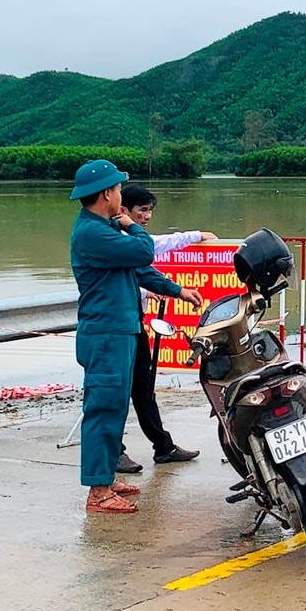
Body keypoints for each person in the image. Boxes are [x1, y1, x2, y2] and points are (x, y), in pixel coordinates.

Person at [68, 161, 201, 514]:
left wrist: (177, 291)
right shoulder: (94, 233)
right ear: (106, 195)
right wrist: (131, 226)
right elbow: (144, 251)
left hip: (123, 330)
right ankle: (97, 492)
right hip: (106, 333)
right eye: (117, 190)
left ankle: (107, 478)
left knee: (116, 409)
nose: (121, 196)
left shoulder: (105, 230)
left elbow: (141, 269)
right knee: (102, 409)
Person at [115, 184, 216, 473]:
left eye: (149, 211)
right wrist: (162, 290)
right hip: (116, 328)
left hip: (134, 325)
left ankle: (163, 446)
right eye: (141, 210)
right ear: (122, 210)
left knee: (143, 390)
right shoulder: (114, 239)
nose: (146, 216)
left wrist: (195, 236)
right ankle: (115, 452)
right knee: (118, 393)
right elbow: (141, 266)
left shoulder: (130, 238)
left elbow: (151, 251)